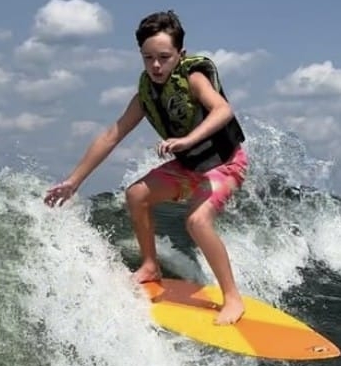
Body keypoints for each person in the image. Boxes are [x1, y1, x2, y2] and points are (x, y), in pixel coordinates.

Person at [43, 10, 249, 325]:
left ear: (180, 54)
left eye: (164, 57)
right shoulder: (145, 95)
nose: (155, 65)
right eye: (148, 58)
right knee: (136, 194)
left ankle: (232, 297)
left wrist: (187, 139)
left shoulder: (194, 78)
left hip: (226, 164)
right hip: (190, 166)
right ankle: (150, 265)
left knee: (197, 222)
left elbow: (223, 110)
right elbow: (112, 135)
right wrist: (74, 181)